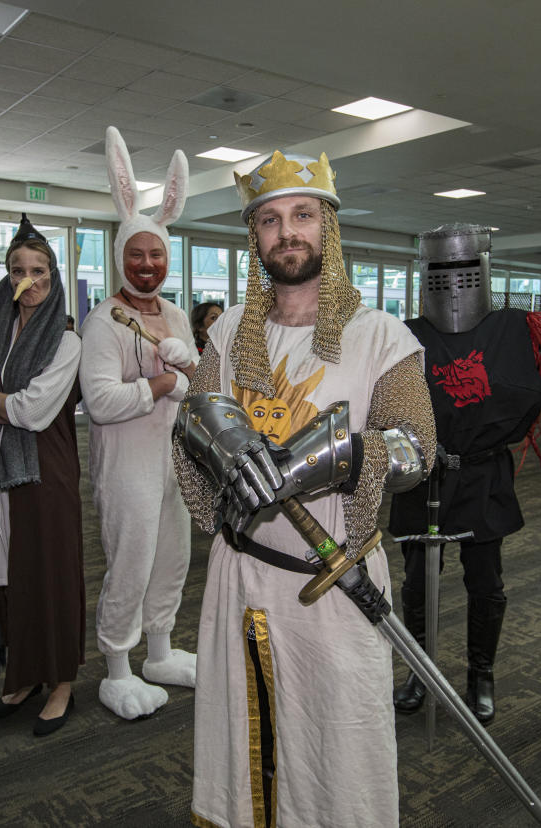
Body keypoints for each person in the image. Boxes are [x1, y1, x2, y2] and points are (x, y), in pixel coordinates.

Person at [173, 150, 436, 826]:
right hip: (241, 572)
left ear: (329, 228)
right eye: (269, 221)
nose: (286, 232)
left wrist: (322, 461)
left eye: (302, 215)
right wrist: (221, 447)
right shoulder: (230, 330)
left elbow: (415, 448)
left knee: (338, 746)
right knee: (241, 735)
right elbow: (194, 419)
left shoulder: (380, 335)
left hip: (333, 579)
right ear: (254, 237)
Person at [388, 223, 541, 726]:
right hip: (426, 473)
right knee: (419, 581)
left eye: (462, 270)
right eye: (440, 270)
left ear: (481, 269)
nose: (452, 282)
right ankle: (420, 669)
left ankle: (481, 672)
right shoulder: (406, 336)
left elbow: (531, 396)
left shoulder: (514, 330)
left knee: (486, 580)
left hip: (482, 474)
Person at [78, 126, 197, 720]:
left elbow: (200, 384)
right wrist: (161, 382)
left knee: (173, 556)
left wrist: (186, 368)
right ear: (120, 257)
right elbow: (99, 401)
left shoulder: (175, 313)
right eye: (136, 254)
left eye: (156, 254)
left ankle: (160, 652)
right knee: (130, 559)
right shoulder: (105, 321)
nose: (147, 265)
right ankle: (118, 668)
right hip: (126, 466)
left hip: (174, 460)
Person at [0, 215, 84, 736]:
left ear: (54, 276)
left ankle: (60, 681)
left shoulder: (65, 340)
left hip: (45, 470)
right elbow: (1, 403)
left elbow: (32, 412)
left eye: (39, 270)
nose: (29, 280)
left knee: (50, 575)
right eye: (18, 269)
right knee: (8, 577)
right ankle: (23, 674)